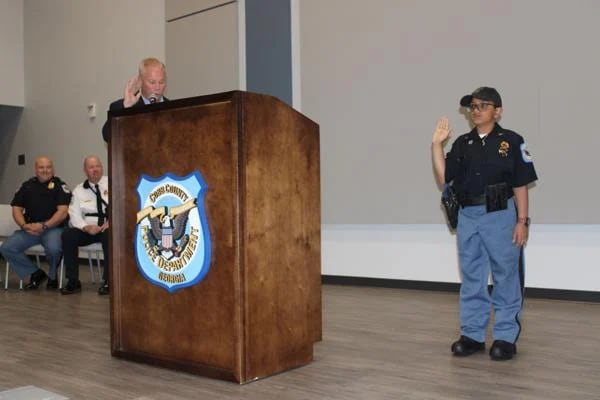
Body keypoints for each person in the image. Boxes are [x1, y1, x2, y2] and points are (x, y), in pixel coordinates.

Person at [431, 87, 538, 361]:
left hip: (500, 213)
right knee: (472, 277)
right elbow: (446, 178)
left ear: (497, 111)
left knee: (505, 275)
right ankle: (473, 335)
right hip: (468, 214)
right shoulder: (462, 144)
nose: (475, 110)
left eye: (482, 105)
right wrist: (436, 146)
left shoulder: (511, 141)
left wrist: (522, 221)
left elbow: (520, 184)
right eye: (472, 106)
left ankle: (504, 336)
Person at [0, 156, 71, 289]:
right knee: (6, 248)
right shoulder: (27, 186)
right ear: (35, 170)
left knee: (54, 249)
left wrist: (44, 225)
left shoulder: (60, 186)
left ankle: (52, 276)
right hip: (30, 229)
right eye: (41, 167)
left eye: (48, 167)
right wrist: (24, 225)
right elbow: (16, 209)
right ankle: (35, 272)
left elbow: (62, 212)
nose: (45, 170)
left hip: (53, 228)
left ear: (53, 169)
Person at [60, 156, 110, 295]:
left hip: (107, 228)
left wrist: (111, 223)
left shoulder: (112, 182)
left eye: (97, 166)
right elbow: (74, 214)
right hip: (89, 229)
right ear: (85, 171)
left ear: (102, 167)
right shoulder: (79, 190)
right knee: (68, 235)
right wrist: (86, 227)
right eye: (91, 167)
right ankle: (73, 281)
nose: (95, 170)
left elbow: (121, 206)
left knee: (110, 236)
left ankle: (109, 281)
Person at [102, 57, 168, 142]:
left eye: (161, 82)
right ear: (140, 81)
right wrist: (126, 108)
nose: (158, 87)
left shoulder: (175, 108)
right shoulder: (121, 107)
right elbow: (107, 136)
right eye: (152, 82)